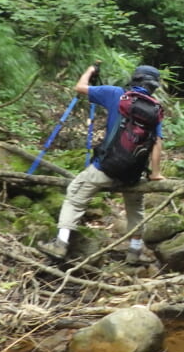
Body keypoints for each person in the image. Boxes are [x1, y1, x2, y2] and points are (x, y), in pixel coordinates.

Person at [37, 64, 165, 264]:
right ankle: (135, 251)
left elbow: (80, 88)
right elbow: (157, 143)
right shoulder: (154, 108)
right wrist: (155, 173)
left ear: (135, 78)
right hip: (133, 174)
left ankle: (60, 244)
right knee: (135, 208)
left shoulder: (116, 94)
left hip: (106, 167)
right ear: (154, 86)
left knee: (75, 194)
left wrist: (89, 71)